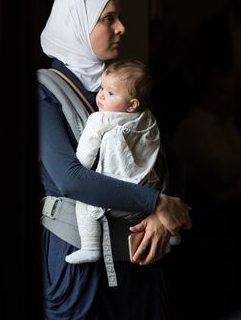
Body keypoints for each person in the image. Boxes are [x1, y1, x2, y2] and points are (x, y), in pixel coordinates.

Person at [37, 0, 192, 319]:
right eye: (108, 19)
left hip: (140, 259)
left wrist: (161, 218)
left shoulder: (125, 84)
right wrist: (155, 202)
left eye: (118, 17)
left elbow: (169, 161)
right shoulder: (45, 91)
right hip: (78, 264)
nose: (121, 28)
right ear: (76, 25)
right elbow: (70, 179)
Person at [65, 59, 179, 265]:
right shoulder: (147, 117)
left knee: (85, 203)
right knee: (160, 204)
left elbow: (86, 153)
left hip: (119, 191)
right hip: (148, 185)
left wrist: (79, 170)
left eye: (110, 93)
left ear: (132, 104)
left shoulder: (100, 119)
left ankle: (90, 247)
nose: (100, 95)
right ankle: (171, 233)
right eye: (101, 88)